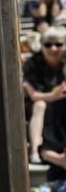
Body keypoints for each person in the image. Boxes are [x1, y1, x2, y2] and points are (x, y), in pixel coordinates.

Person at [25, 26, 66, 164]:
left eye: (58, 44)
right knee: (40, 105)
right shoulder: (32, 63)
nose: (53, 49)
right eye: (48, 44)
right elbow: (34, 95)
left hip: (61, 102)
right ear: (41, 45)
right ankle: (36, 150)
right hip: (36, 105)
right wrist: (54, 96)